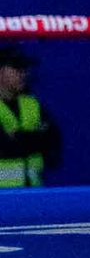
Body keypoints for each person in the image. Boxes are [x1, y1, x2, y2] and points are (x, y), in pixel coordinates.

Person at [0, 45, 58, 190]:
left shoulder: (32, 104)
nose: (23, 73)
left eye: (25, 68)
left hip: (34, 193)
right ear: (0, 71)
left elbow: (53, 143)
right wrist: (35, 137)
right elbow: (5, 147)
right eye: (16, 68)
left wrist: (17, 137)